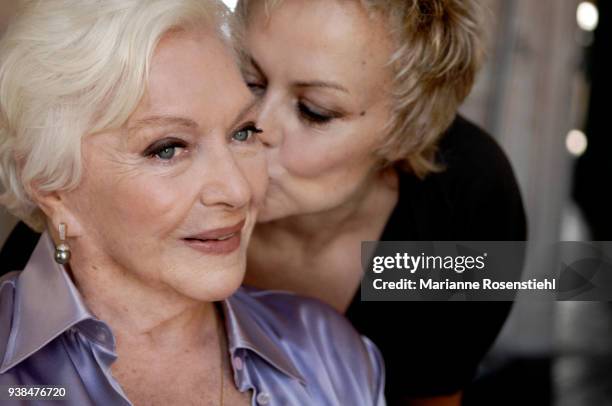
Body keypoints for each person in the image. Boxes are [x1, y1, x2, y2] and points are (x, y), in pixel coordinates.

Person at [0, 1, 386, 405]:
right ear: (53, 190)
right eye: (168, 149)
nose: (238, 190)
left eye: (242, 132)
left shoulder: (327, 352)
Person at [233, 0, 527, 405]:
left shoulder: (468, 200)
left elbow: (431, 395)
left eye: (314, 111)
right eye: (250, 78)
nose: (256, 124)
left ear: (406, 134)